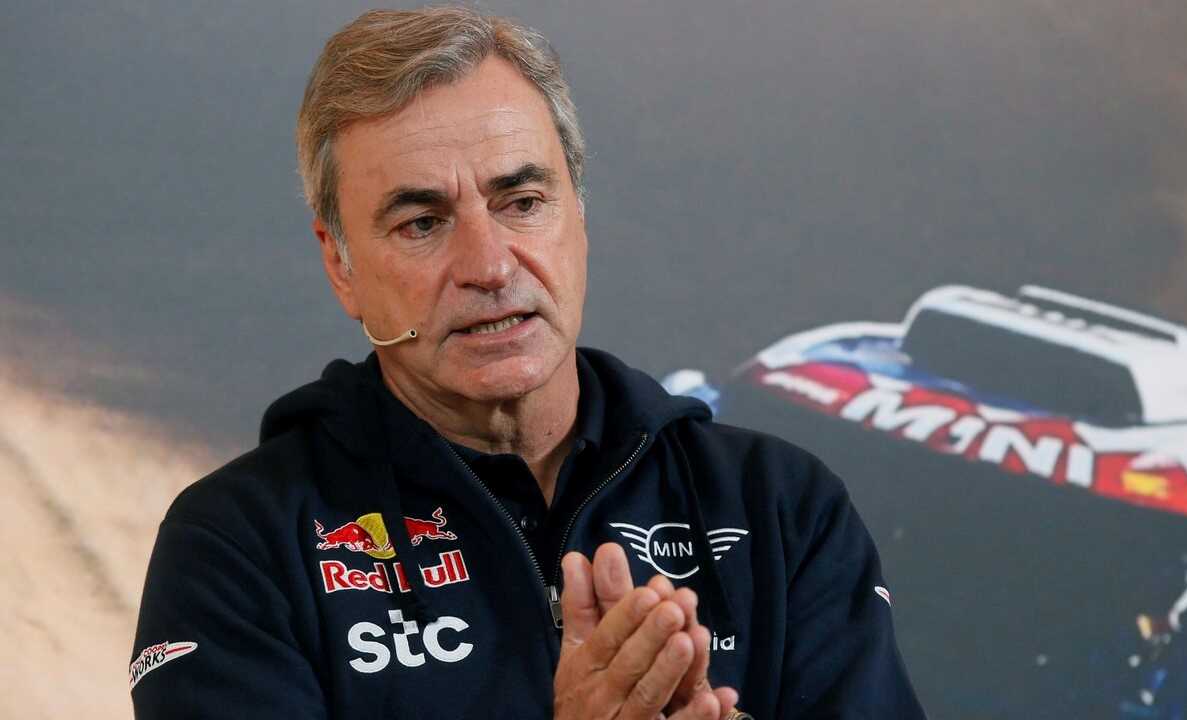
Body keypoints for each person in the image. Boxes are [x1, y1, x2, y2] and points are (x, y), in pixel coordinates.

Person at [130, 7, 926, 719]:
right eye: (422, 222)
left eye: (522, 202)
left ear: (578, 213)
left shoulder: (779, 506)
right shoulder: (238, 545)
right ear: (340, 264)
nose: (489, 265)